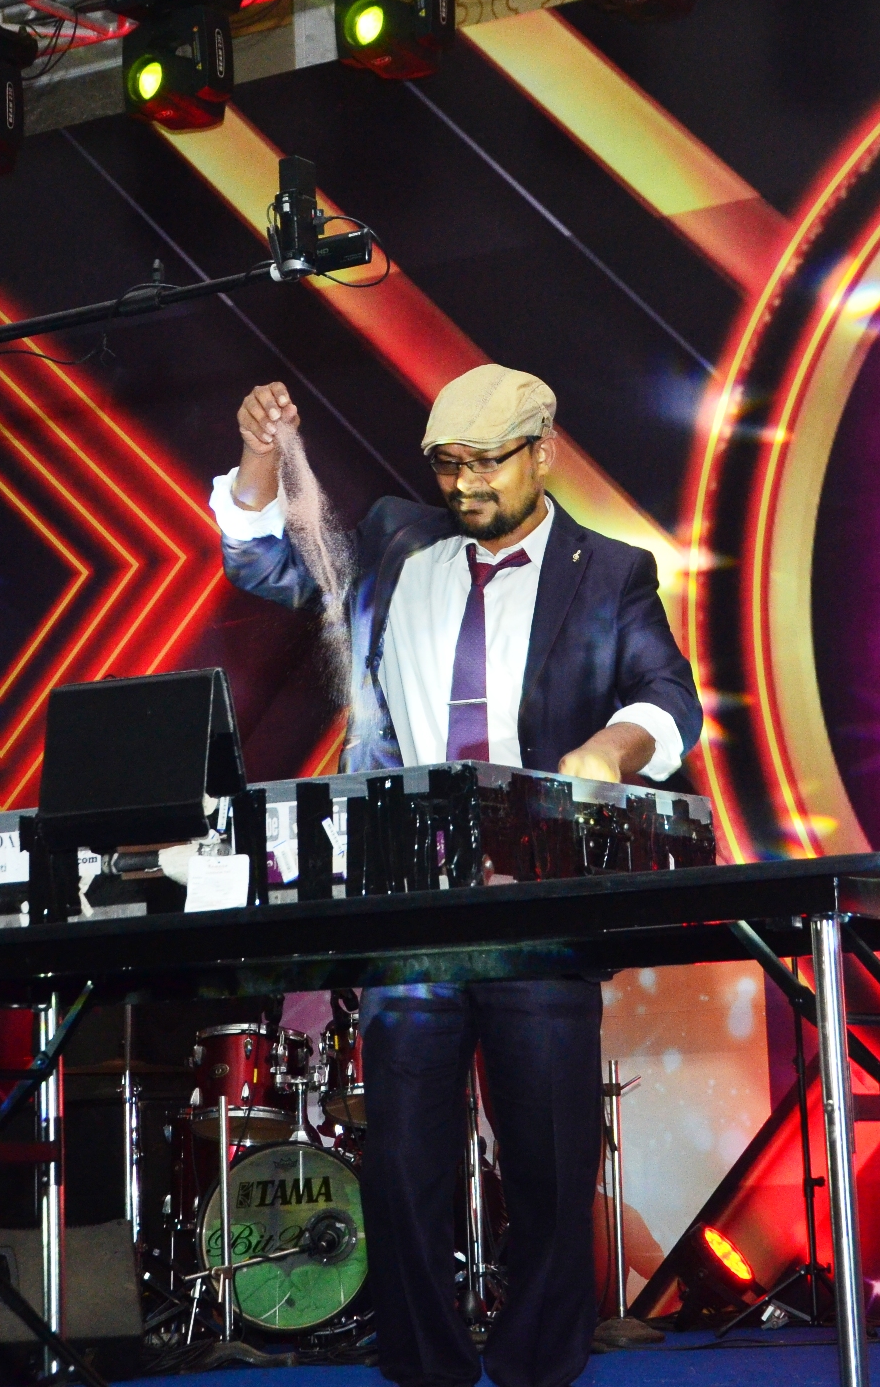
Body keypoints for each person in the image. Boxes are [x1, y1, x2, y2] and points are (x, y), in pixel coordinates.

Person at [210, 364, 702, 1387]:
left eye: (487, 462)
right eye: (447, 464)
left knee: (550, 1153)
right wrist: (258, 459)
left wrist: (610, 751)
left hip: (537, 897)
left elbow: (668, 698)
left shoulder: (610, 571)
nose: (466, 484)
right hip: (412, 901)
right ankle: (424, 1364)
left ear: (544, 450)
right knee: (402, 1157)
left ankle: (539, 1362)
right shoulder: (395, 542)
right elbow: (264, 567)